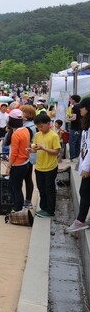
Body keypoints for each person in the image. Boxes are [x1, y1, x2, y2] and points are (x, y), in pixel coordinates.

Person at [28, 113, 60, 218]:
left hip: (50, 167)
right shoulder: (38, 135)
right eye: (38, 127)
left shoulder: (54, 136)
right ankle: (43, 208)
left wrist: (43, 148)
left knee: (49, 189)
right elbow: (36, 149)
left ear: (48, 123)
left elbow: (56, 152)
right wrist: (31, 150)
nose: (40, 129)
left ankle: (50, 210)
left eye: (41, 126)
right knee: (41, 188)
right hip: (39, 167)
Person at [66, 97, 90, 232]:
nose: (80, 109)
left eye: (82, 107)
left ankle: (80, 221)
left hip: (88, 166)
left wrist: (86, 167)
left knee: (84, 191)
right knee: (84, 191)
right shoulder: (86, 125)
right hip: (86, 163)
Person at [5, 109, 30, 212]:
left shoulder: (16, 134)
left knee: (15, 188)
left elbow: (14, 153)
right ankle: (18, 208)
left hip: (18, 164)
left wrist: (9, 166)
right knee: (15, 186)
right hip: (25, 162)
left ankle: (17, 209)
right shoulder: (25, 130)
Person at [67, 94, 82, 163]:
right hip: (81, 127)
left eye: (71, 99)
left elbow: (74, 118)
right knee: (78, 142)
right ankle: (77, 155)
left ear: (73, 100)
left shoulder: (74, 107)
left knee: (72, 142)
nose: (70, 100)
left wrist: (68, 119)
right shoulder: (81, 106)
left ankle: (72, 157)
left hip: (75, 127)